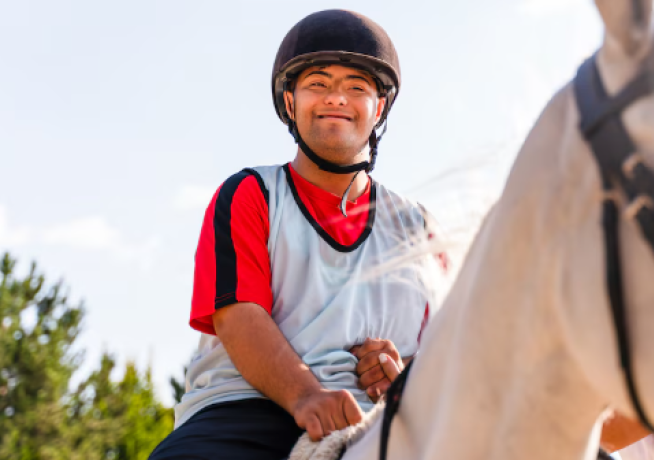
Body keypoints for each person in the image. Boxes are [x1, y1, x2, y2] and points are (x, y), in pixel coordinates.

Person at [149, 9, 442, 460]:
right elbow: (237, 315)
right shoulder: (251, 194)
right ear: (290, 102)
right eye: (318, 84)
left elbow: (446, 347)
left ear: (378, 107)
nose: (336, 98)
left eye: (356, 87)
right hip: (246, 411)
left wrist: (402, 375)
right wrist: (306, 394)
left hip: (378, 419)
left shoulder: (420, 228)